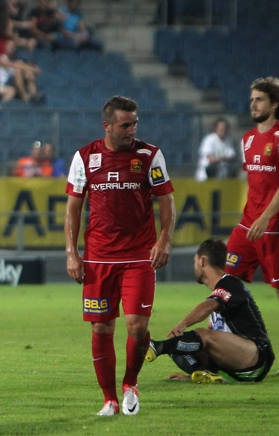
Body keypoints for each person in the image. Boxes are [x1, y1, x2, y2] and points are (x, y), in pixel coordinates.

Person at [64, 95, 176, 416]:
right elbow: (73, 208)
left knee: (137, 328)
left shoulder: (149, 155)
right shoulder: (85, 157)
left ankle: (130, 383)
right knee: (101, 329)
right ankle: (109, 399)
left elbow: (166, 201)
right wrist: (72, 253)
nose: (132, 130)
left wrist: (164, 240)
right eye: (125, 125)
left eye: (134, 124)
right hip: (98, 259)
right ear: (108, 126)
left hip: (140, 256)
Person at [224, 76, 279, 376]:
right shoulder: (246, 139)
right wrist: (251, 217)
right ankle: (226, 351)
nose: (253, 103)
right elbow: (256, 184)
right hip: (248, 226)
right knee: (224, 284)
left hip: (277, 229)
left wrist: (265, 217)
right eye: (252, 98)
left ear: (275, 104)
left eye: (259, 99)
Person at [144, 238, 275, 384]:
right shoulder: (220, 292)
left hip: (256, 358)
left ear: (202, 261)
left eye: (195, 261)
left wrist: (183, 324)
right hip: (233, 363)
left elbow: (208, 306)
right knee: (177, 344)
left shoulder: (231, 283)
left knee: (202, 335)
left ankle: (156, 347)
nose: (195, 266)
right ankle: (202, 373)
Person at [195, 117, 237, 181]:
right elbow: (211, 159)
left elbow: (232, 157)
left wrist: (218, 158)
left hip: (221, 178)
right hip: (205, 177)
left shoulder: (229, 141)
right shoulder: (209, 139)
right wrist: (224, 158)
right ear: (216, 128)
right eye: (221, 128)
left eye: (225, 127)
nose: (223, 129)